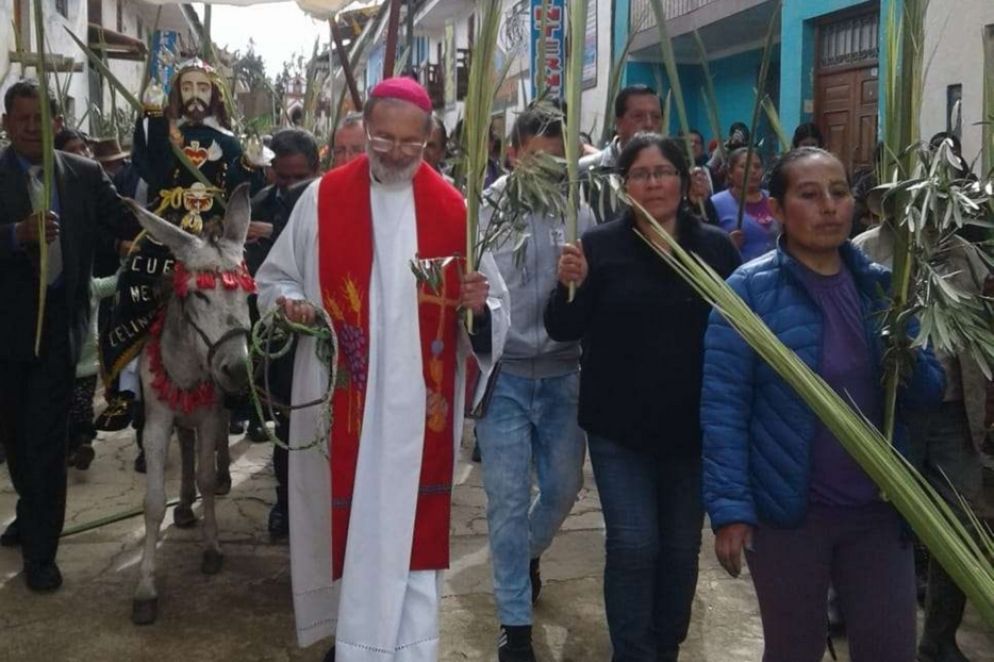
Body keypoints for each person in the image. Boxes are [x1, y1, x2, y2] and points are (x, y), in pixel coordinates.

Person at [256, 77, 509, 662]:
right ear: (364, 129)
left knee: (408, 533)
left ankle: (408, 652)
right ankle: (353, 646)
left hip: (419, 414)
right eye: (383, 138)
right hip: (340, 396)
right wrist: (291, 304)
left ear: (431, 140)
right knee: (347, 527)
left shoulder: (455, 210)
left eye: (411, 143)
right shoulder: (322, 198)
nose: (396, 153)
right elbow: (274, 278)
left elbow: (493, 308)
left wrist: (477, 307)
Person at [701, 147, 945, 662]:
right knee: (794, 650)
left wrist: (909, 354)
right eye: (809, 195)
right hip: (791, 513)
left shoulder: (880, 287)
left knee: (890, 649)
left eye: (838, 192)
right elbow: (723, 408)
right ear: (777, 208)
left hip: (878, 509)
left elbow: (927, 393)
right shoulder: (747, 294)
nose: (829, 206)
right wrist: (730, 510)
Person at [545, 134, 740, 661]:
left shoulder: (715, 247)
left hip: (692, 429)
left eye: (664, 172)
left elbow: (739, 337)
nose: (653, 183)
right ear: (624, 185)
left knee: (680, 551)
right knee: (633, 546)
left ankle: (666, 648)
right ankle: (632, 652)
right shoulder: (599, 246)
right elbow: (562, 327)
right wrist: (572, 284)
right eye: (641, 174)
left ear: (684, 178)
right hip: (619, 427)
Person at [853, 136, 988, 662]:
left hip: (954, 413)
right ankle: (871, 626)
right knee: (880, 522)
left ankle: (939, 640)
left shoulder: (962, 252)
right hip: (890, 412)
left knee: (960, 524)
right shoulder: (865, 251)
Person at [0, 79, 135, 591]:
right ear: (7, 123)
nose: (33, 128)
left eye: (43, 119)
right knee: (15, 439)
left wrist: (182, 207)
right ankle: (29, 510)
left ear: (58, 123)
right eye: (23, 119)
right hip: (8, 333)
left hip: (61, 329)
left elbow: (124, 218)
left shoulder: (82, 173)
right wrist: (17, 235)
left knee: (47, 441)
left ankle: (42, 552)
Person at [101, 57, 267, 464]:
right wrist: (155, 120)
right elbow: (155, 172)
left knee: (247, 295)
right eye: (187, 87)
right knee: (133, 288)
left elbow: (241, 189)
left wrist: (249, 162)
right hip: (170, 234)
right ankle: (129, 394)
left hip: (214, 236)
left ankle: (251, 390)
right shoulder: (161, 134)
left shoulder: (226, 139)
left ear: (216, 94)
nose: (195, 96)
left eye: (203, 88)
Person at [476, 105, 593, 662]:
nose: (547, 169)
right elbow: (471, 282)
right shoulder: (487, 209)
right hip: (506, 376)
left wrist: (583, 278)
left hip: (564, 373)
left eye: (557, 157)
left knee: (565, 487)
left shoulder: (580, 206)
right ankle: (514, 625)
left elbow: (600, 279)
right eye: (536, 157)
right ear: (514, 153)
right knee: (503, 500)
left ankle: (524, 555)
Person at [244, 128, 321, 540]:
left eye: (299, 176)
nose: (290, 186)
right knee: (288, 424)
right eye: (283, 177)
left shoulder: (328, 203)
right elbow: (259, 276)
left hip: (326, 335)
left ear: (316, 167)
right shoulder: (257, 204)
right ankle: (287, 505)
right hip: (279, 335)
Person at [580, 85, 663, 223]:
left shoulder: (672, 172)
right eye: (638, 116)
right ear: (618, 123)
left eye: (656, 117)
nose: (649, 124)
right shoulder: (585, 173)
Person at [709, 147, 777, 262]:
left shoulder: (774, 200)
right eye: (744, 166)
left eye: (757, 166)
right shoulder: (716, 203)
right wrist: (727, 245)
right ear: (730, 173)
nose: (752, 171)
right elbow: (707, 247)